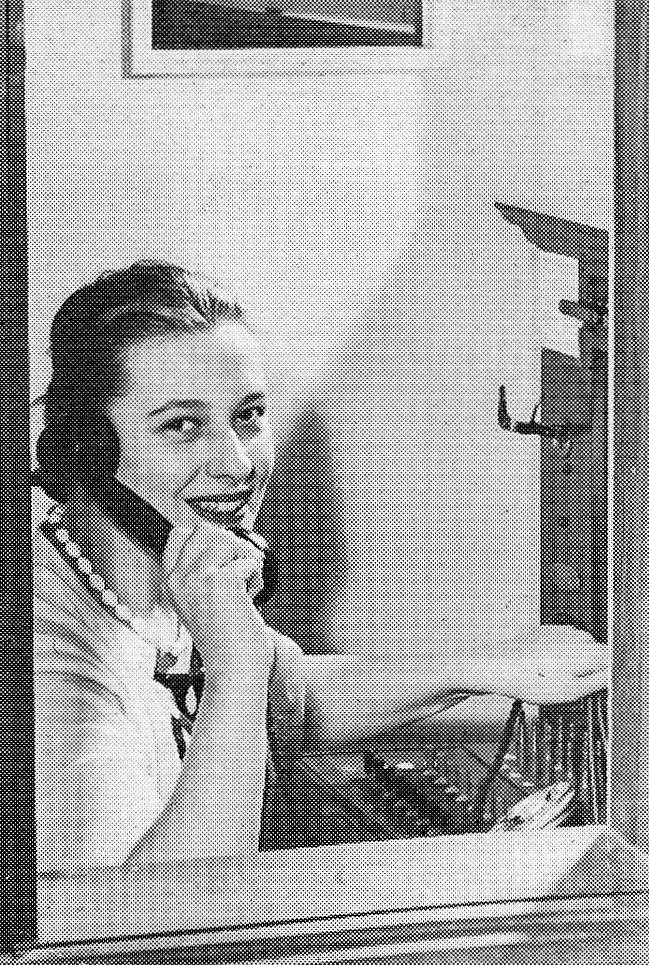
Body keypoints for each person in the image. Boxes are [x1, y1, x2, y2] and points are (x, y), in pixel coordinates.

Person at [31, 260, 607, 876]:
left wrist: (507, 672)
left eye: (247, 417)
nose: (234, 460)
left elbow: (290, 693)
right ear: (94, 448)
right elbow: (122, 921)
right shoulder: (55, 654)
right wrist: (235, 664)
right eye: (178, 426)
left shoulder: (152, 579)